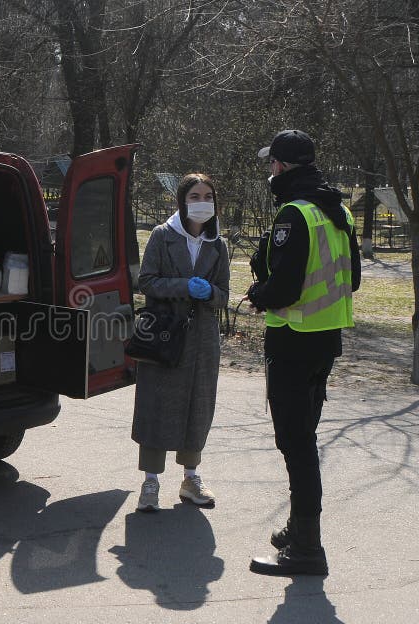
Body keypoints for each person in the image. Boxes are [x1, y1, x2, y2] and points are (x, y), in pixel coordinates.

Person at [247, 129, 361, 575]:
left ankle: (308, 549)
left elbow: (285, 289)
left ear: (284, 167)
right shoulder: (338, 211)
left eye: (273, 164)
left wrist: (258, 293)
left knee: (296, 443)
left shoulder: (294, 214)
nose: (270, 172)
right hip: (325, 340)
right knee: (302, 438)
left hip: (293, 340)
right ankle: (299, 527)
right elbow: (350, 281)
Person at [132, 173, 230, 512]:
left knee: (197, 409)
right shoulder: (163, 236)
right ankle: (150, 483)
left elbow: (223, 295)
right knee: (157, 410)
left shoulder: (219, 244)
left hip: (202, 341)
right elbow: (146, 281)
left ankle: (191, 478)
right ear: (182, 202)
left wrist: (209, 293)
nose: (202, 203)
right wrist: (184, 286)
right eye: (195, 196)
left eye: (208, 196)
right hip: (164, 336)